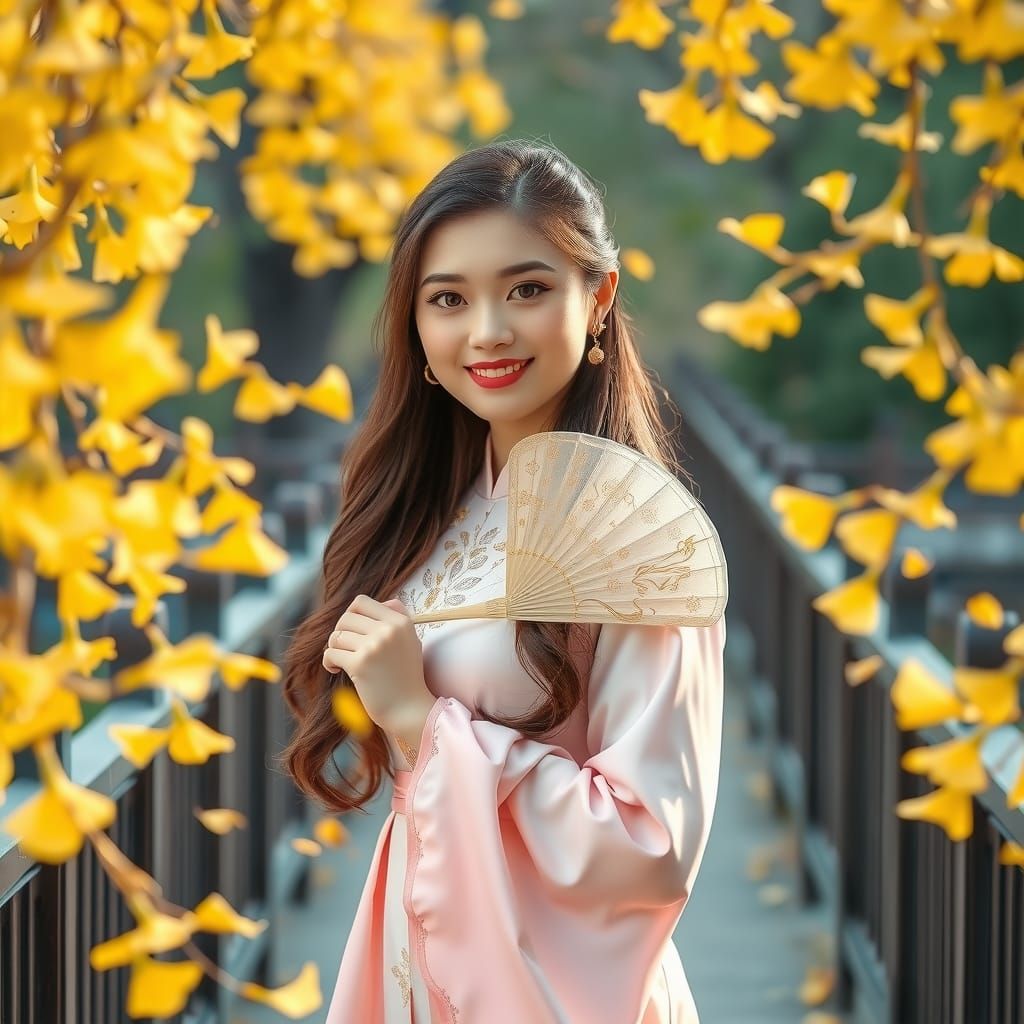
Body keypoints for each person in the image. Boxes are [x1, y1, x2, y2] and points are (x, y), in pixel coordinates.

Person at [280, 139, 728, 1023]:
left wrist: (419, 718)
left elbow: (651, 842)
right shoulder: (432, 510)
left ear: (597, 298)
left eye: (527, 289)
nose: (486, 331)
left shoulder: (633, 539)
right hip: (416, 945)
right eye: (449, 299)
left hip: (554, 985)